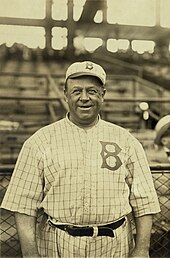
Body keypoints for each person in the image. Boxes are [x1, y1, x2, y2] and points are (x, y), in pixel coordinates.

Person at [1, 61, 160, 258]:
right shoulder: (39, 141)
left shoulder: (126, 141)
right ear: (65, 94)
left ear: (103, 94)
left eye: (92, 91)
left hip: (114, 246)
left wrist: (142, 248)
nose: (84, 98)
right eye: (77, 91)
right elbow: (23, 205)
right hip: (58, 245)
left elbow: (144, 202)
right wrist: (30, 253)